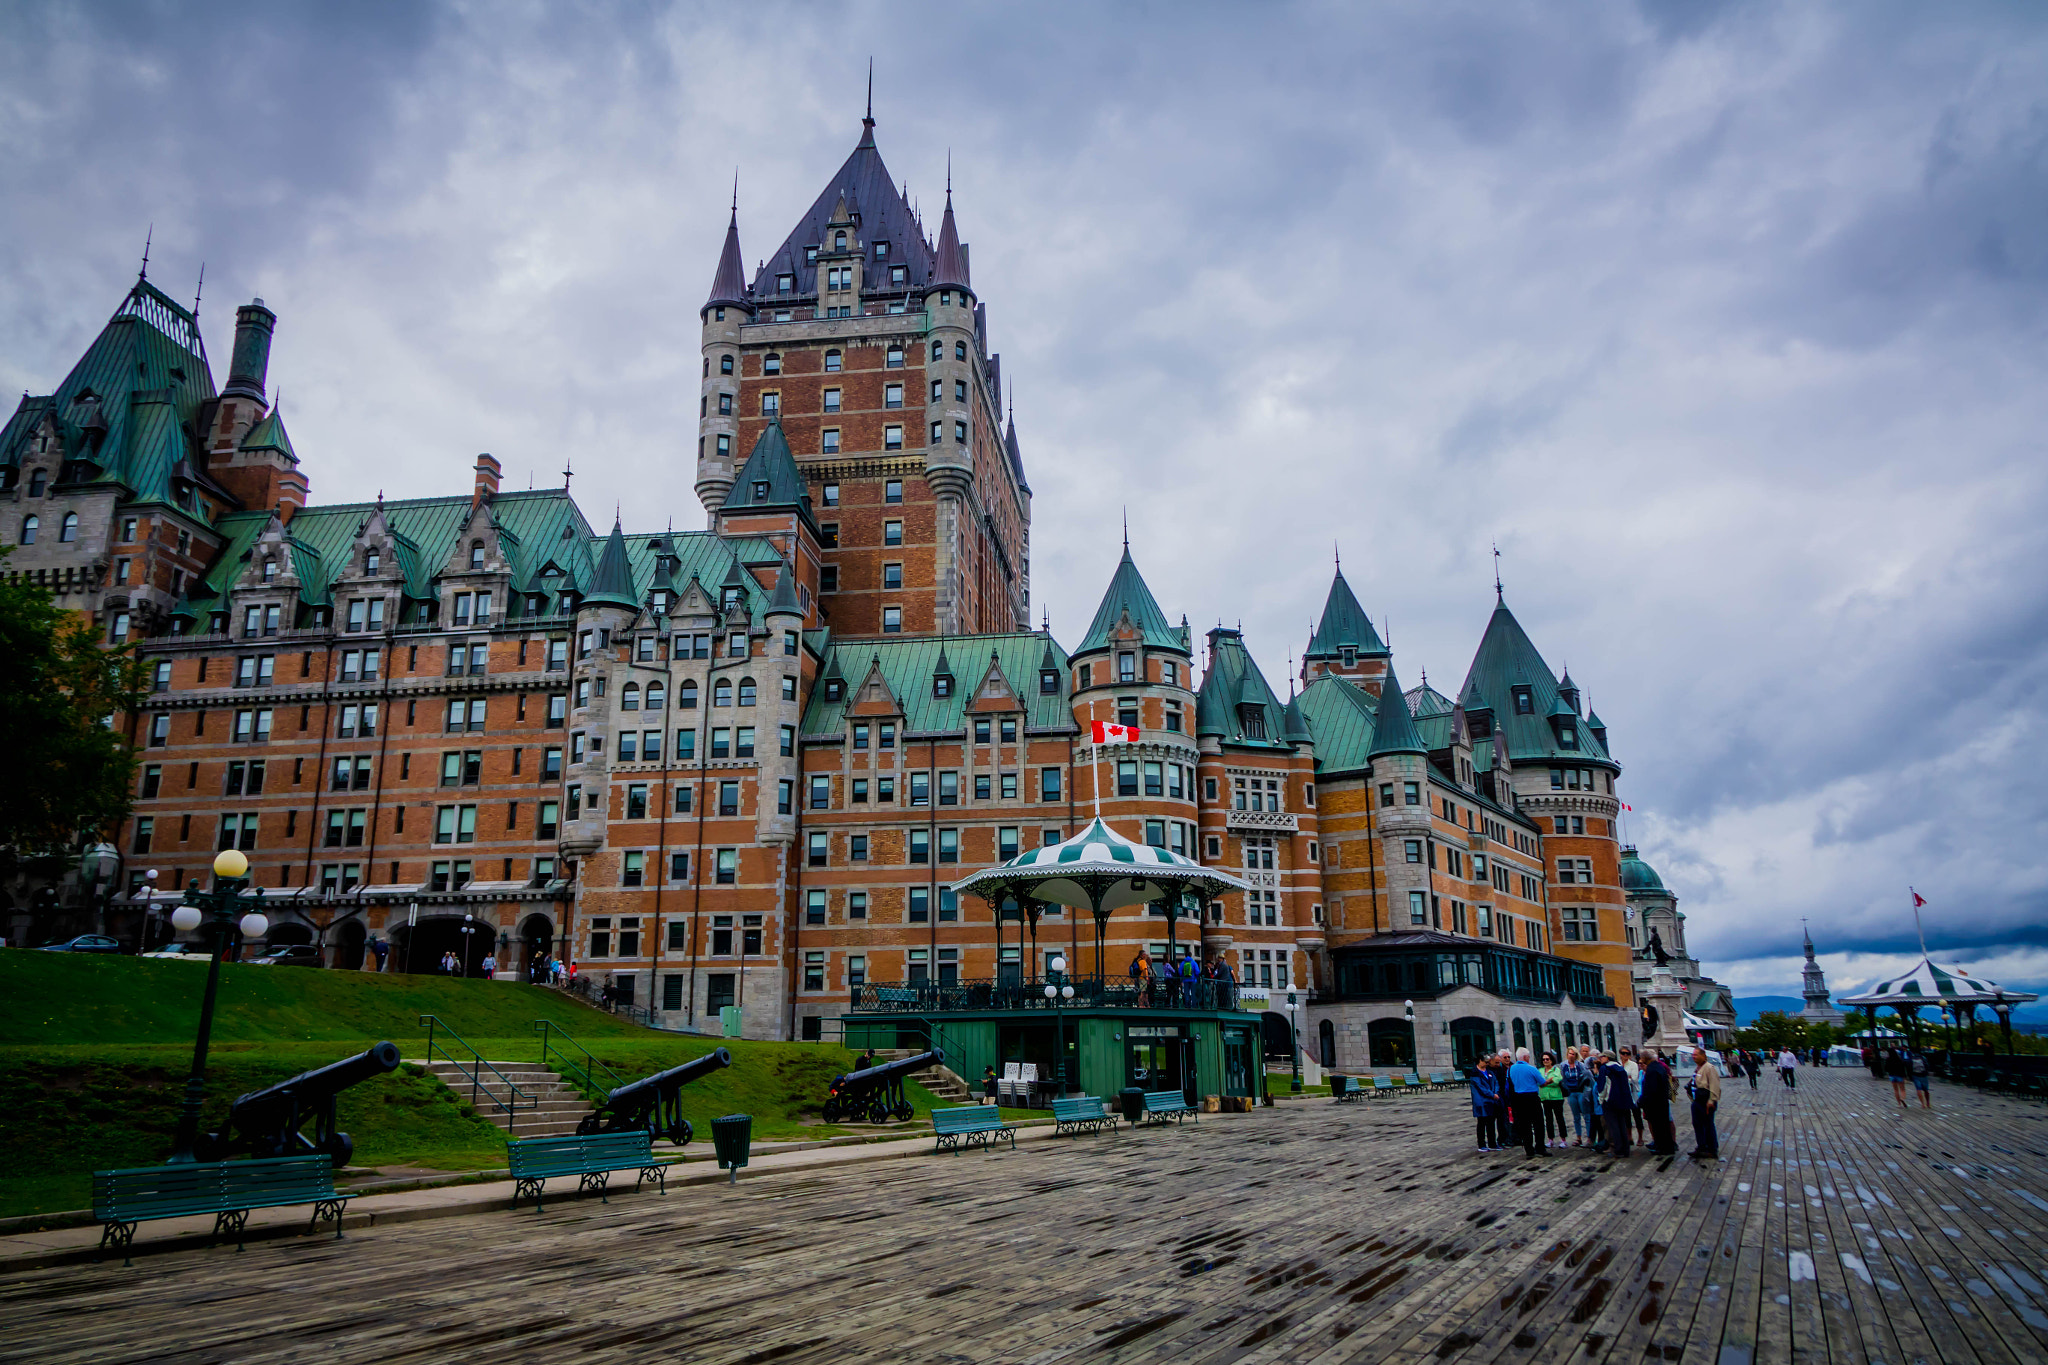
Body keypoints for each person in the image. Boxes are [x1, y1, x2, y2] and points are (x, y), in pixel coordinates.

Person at [1507, 1048, 1546, 1157]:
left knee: (1525, 1125)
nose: (1529, 1058)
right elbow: (1542, 1082)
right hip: (1532, 1097)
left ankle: (1529, 1150)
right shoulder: (1531, 1069)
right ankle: (1540, 1148)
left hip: (1518, 1098)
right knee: (1538, 1124)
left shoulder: (1511, 1069)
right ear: (1525, 1057)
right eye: (1528, 1056)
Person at [1641, 1049, 1678, 1155]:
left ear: (1645, 1058)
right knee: (1664, 1126)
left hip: (1655, 1104)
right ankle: (1667, 1146)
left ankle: (1662, 1148)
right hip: (1662, 1102)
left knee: (1659, 1127)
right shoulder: (1659, 1067)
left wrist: (1643, 1101)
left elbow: (1651, 1089)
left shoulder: (1651, 1070)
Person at [1598, 1050, 1634, 1157]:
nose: (1601, 1059)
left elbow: (1602, 1086)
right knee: (1622, 1124)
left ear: (1607, 1058)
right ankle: (1626, 1149)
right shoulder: (1620, 1068)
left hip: (1610, 1100)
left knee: (1613, 1126)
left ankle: (1618, 1150)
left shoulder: (1605, 1068)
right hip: (1621, 1100)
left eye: (1602, 1057)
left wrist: (1601, 1099)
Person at [1689, 1046, 1721, 1158]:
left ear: (1703, 1056)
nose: (1694, 1057)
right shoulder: (1698, 1067)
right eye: (1693, 1055)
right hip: (1697, 1100)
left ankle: (1712, 1149)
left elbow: (1714, 1085)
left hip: (1706, 1101)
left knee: (1708, 1125)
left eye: (1696, 1055)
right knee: (1697, 1124)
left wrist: (1712, 1100)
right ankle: (1701, 1146)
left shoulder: (1709, 1068)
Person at [1469, 1055, 1503, 1153]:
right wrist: (1492, 1094)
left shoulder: (1489, 1072)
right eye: (1486, 1062)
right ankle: (1482, 1144)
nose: (1487, 1064)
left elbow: (1495, 1083)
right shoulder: (1475, 1074)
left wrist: (1495, 1092)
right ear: (1480, 1061)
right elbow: (1481, 1088)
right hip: (1481, 1102)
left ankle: (1492, 1143)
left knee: (1491, 1122)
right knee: (1481, 1123)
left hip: (1491, 1101)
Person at [1562, 1046, 1593, 1146]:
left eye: (1573, 1054)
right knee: (1576, 1116)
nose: (1572, 1056)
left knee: (1586, 1115)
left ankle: (1589, 1138)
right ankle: (1578, 1138)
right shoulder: (1563, 1065)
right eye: (1570, 1053)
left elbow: (1586, 1076)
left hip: (1581, 1091)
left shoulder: (1580, 1065)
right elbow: (1562, 1078)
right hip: (1571, 1092)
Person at [1538, 1052, 1567, 1149]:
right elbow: (1539, 1081)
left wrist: (1546, 1082)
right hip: (1545, 1098)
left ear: (1551, 1060)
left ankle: (1563, 1139)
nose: (1545, 1061)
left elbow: (1557, 1080)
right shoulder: (1540, 1070)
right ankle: (1550, 1139)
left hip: (1556, 1097)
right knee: (1548, 1119)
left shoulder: (1556, 1069)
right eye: (1544, 1059)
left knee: (1559, 1118)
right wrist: (1549, 1081)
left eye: (1547, 1059)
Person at [1621, 1047, 1647, 1147]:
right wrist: (1627, 1078)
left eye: (1627, 1053)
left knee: (1637, 1115)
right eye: (1623, 1053)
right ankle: (1629, 1137)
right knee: (1626, 1116)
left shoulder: (1633, 1065)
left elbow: (1634, 1078)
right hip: (1624, 1094)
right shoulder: (1619, 1064)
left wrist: (1625, 1079)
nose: (1625, 1055)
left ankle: (1640, 1138)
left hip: (1633, 1093)